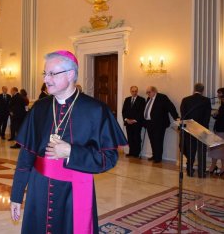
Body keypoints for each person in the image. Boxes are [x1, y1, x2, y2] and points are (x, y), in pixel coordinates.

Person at [10, 50, 126, 233]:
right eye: (45, 74)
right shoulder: (40, 107)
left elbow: (109, 157)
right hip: (38, 187)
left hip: (73, 191)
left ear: (70, 74)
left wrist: (72, 152)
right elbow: (27, 155)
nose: (46, 79)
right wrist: (16, 195)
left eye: (52, 74)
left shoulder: (95, 110)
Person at [180, 83, 211, 177]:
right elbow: (207, 116)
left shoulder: (185, 99)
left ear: (194, 89)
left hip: (190, 129)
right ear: (203, 90)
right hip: (202, 129)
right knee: (202, 151)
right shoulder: (206, 100)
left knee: (190, 150)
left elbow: (183, 115)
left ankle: (189, 171)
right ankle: (201, 173)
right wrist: (204, 127)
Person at [143, 86, 179, 163]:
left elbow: (171, 107)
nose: (147, 94)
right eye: (147, 93)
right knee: (152, 140)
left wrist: (176, 117)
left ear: (154, 91)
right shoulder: (149, 98)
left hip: (159, 124)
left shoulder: (162, 97)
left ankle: (158, 158)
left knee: (158, 141)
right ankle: (154, 155)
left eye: (149, 92)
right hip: (149, 123)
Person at [122, 86, 146, 157]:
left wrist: (134, 120)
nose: (134, 93)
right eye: (133, 91)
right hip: (128, 123)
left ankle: (136, 153)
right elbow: (124, 111)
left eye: (136, 91)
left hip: (137, 123)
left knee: (136, 138)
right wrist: (126, 119)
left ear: (137, 91)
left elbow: (142, 112)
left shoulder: (141, 100)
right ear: (130, 91)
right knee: (130, 138)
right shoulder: (127, 99)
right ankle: (131, 152)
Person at [210, 87, 224, 176]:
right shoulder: (222, 104)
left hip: (223, 129)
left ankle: (223, 168)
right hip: (218, 128)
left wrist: (217, 115)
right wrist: (215, 115)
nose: (218, 95)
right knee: (214, 148)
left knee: (222, 150)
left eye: (220, 93)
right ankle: (213, 166)